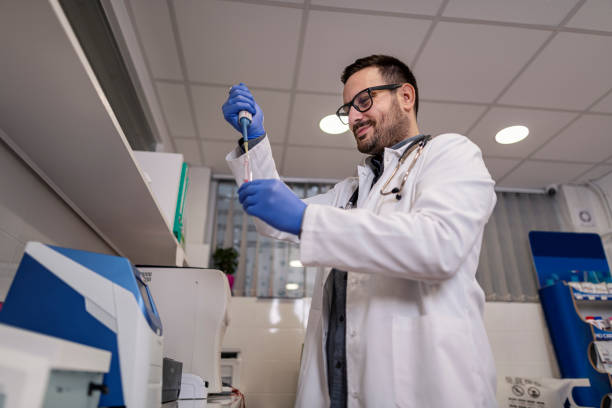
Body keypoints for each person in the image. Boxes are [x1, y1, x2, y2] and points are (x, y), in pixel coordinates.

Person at [222, 55, 497, 407]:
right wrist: (254, 140)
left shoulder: (450, 154)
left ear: (406, 96)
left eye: (364, 101)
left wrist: (307, 220)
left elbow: (439, 245)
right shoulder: (349, 192)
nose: (352, 117)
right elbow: (269, 218)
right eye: (347, 109)